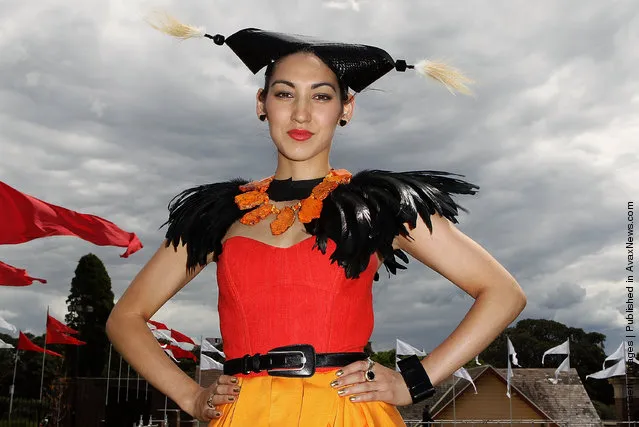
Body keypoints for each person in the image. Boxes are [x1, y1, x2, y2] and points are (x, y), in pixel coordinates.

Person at [106, 14, 527, 427]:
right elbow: (126, 318)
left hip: (346, 412)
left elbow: (502, 293)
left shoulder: (377, 206)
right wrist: (192, 396)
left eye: (322, 96)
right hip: (243, 415)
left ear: (347, 108)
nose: (302, 114)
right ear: (261, 103)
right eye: (285, 94)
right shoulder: (219, 214)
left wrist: (413, 380)